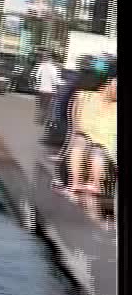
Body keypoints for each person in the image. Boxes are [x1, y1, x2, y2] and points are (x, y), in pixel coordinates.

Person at [62, 63, 116, 217]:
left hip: (105, 162)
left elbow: (73, 130)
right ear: (109, 82)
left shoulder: (84, 97)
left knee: (94, 147)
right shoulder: (84, 97)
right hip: (87, 157)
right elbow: (73, 130)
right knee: (84, 141)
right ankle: (79, 184)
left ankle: (89, 184)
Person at [31, 51, 61, 125]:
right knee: (46, 105)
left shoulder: (41, 66)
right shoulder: (54, 68)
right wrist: (58, 87)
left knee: (41, 105)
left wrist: (36, 86)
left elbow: (36, 77)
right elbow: (56, 80)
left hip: (41, 89)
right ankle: (42, 120)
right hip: (49, 90)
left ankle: (40, 119)